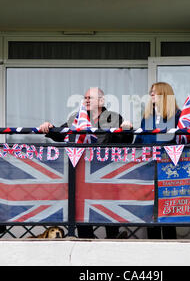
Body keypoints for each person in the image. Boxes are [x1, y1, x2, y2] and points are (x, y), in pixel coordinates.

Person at [39, 87, 133, 239]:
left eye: (91, 97)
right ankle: (86, 240)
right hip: (83, 172)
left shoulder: (114, 118)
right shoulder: (78, 118)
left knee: (108, 210)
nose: (87, 100)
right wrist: (48, 128)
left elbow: (126, 142)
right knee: (82, 210)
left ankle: (112, 242)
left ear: (101, 101)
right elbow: (61, 133)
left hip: (106, 173)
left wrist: (127, 130)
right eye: (85, 98)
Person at [121, 82, 181, 239]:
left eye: (155, 92)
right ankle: (152, 246)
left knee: (167, 214)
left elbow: (182, 141)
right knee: (150, 212)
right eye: (150, 92)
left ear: (164, 94)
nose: (151, 94)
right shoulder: (147, 118)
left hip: (168, 171)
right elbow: (139, 144)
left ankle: (170, 248)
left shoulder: (178, 116)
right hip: (147, 171)